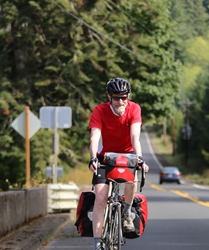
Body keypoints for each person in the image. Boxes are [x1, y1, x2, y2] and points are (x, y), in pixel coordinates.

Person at [88, 77, 149, 250]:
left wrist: (140, 158)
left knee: (132, 181)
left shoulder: (134, 108)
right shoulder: (99, 111)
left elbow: (135, 137)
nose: (120, 101)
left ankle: (127, 212)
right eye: (116, 97)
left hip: (128, 155)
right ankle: (98, 244)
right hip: (105, 157)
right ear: (109, 97)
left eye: (124, 97)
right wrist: (93, 157)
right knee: (100, 198)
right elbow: (94, 137)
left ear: (128, 96)